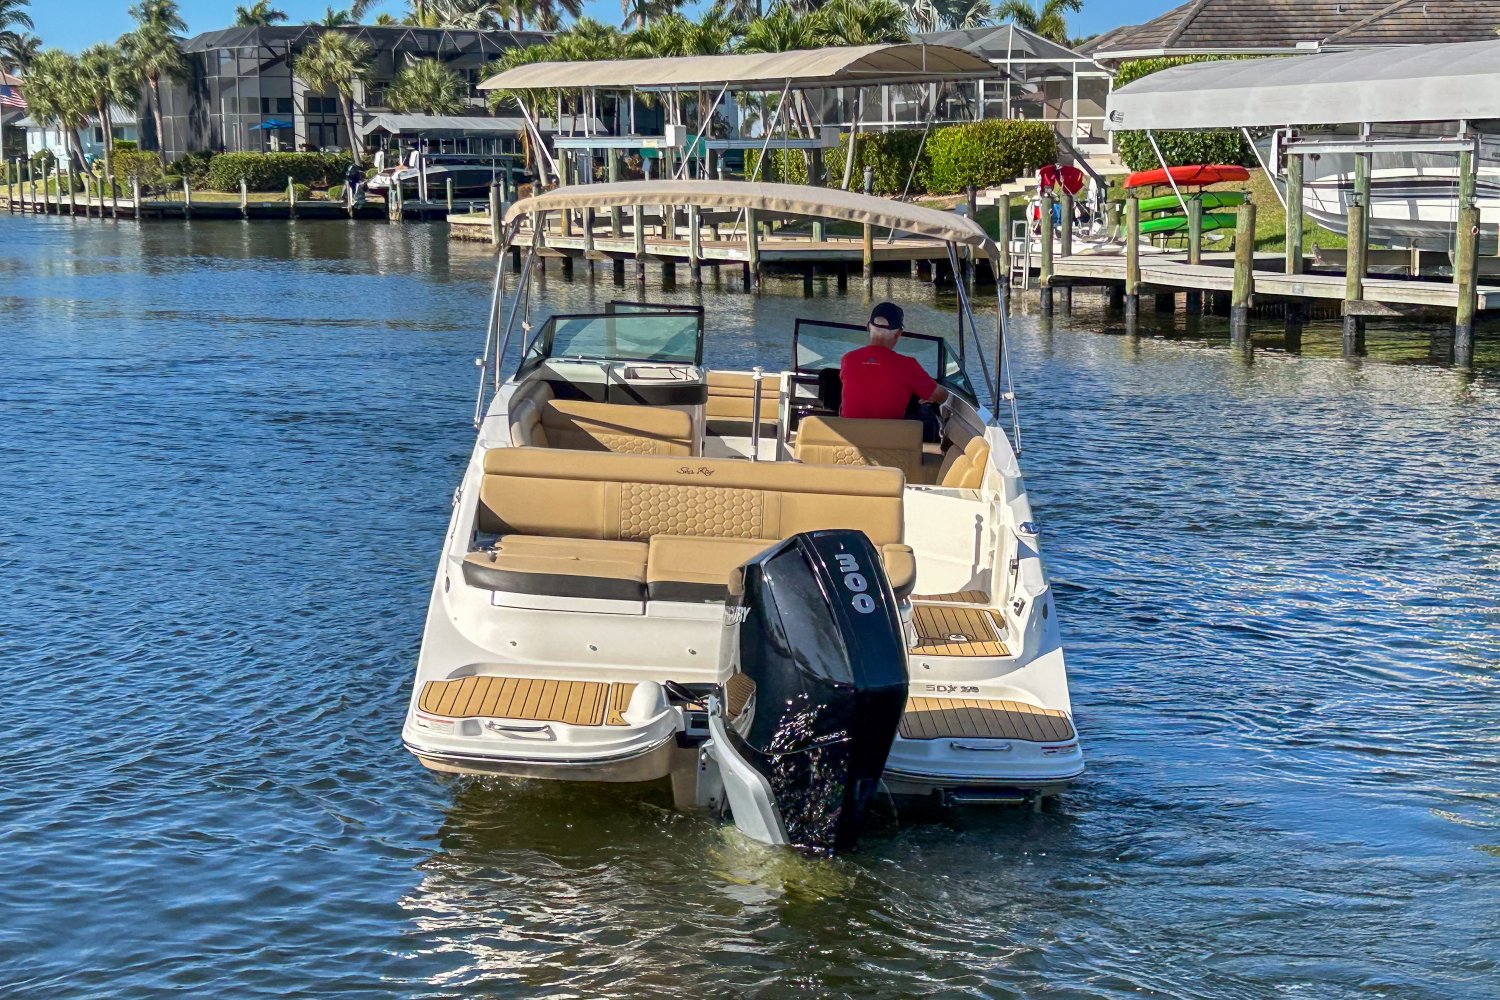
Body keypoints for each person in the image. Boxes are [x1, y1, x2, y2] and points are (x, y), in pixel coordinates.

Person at [838, 302, 948, 420]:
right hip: (888, 437)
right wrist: (931, 392)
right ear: (898, 333)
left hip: (849, 436)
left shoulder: (848, 360)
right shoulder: (908, 366)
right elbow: (941, 396)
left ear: (868, 328)